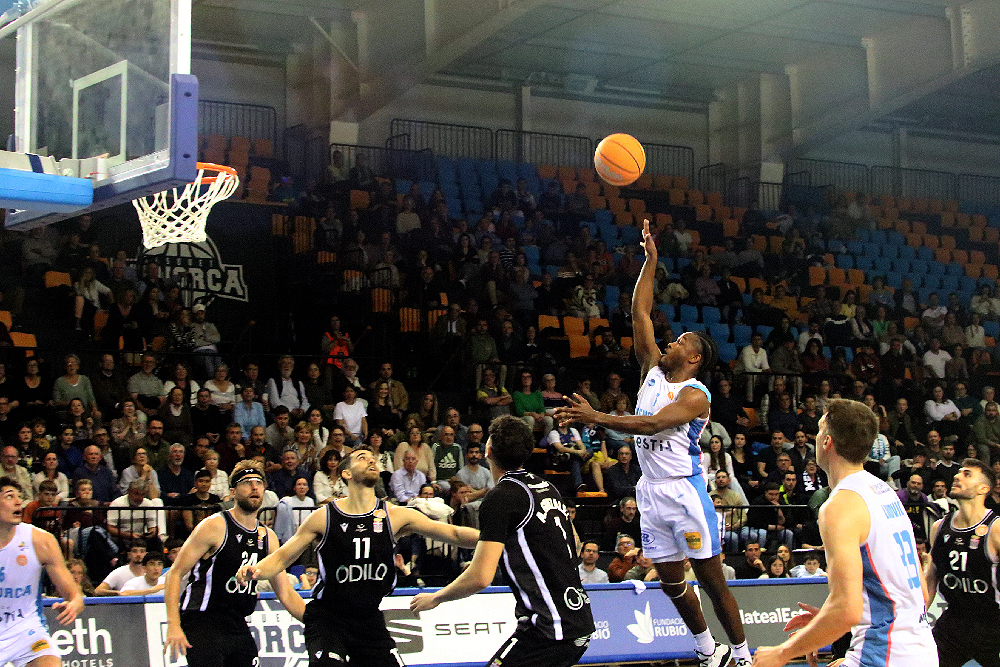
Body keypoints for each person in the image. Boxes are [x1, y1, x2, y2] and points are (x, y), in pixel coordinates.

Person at [554, 219, 749, 667]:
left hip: (685, 491)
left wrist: (596, 416)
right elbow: (639, 312)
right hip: (650, 491)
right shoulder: (652, 369)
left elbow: (654, 425)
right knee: (669, 581)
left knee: (712, 579)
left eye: (681, 340)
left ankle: (741, 656)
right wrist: (651, 261)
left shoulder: (695, 395)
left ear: (694, 357)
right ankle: (706, 650)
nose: (671, 339)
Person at [237, 448, 479, 667]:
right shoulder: (324, 517)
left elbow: (454, 534)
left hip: (369, 619)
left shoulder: (394, 516)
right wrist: (254, 570)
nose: (371, 460)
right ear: (346, 474)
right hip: (328, 619)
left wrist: (495, 538)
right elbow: (281, 558)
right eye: (362, 458)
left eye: (373, 458)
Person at [752, 399, 937, 667]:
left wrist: (781, 653)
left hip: (884, 655)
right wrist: (827, 620)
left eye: (818, 430)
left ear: (827, 441)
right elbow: (918, 592)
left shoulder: (840, 506)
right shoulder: (886, 492)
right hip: (920, 650)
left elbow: (846, 610)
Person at [410, 415, 595, 667]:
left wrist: (436, 597)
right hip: (579, 619)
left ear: (488, 449)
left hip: (550, 628)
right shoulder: (546, 486)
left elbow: (480, 577)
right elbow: (569, 543)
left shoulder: (501, 497)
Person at [163, 461, 305, 667]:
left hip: (237, 621)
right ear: (233, 492)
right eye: (247, 482)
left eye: (258, 482)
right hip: (203, 619)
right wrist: (173, 624)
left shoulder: (268, 537)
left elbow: (285, 592)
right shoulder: (214, 526)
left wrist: (313, 623)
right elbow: (174, 574)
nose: (254, 487)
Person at [0, 476, 83, 667]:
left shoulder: (40, 541)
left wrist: (75, 603)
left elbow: (73, 593)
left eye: (19, 496)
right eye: (10, 496)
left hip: (27, 631)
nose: (19, 501)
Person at [925, 458, 1000, 667]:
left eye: (967, 474)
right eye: (958, 473)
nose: (957, 476)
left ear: (983, 488)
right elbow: (931, 577)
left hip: (993, 621)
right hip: (955, 620)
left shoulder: (996, 529)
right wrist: (917, 617)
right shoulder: (939, 527)